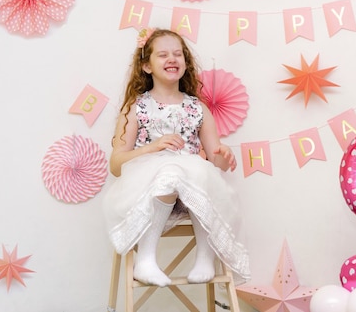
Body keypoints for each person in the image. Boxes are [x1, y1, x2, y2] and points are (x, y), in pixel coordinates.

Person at [102, 28, 250, 287]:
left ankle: (205, 257)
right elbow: (116, 166)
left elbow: (215, 163)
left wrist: (223, 156)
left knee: (200, 169)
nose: (172, 59)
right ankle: (145, 261)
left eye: (177, 54)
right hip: (148, 193)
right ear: (147, 66)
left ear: (185, 63)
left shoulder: (197, 108)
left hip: (191, 196)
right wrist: (152, 148)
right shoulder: (136, 108)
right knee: (170, 173)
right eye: (163, 55)